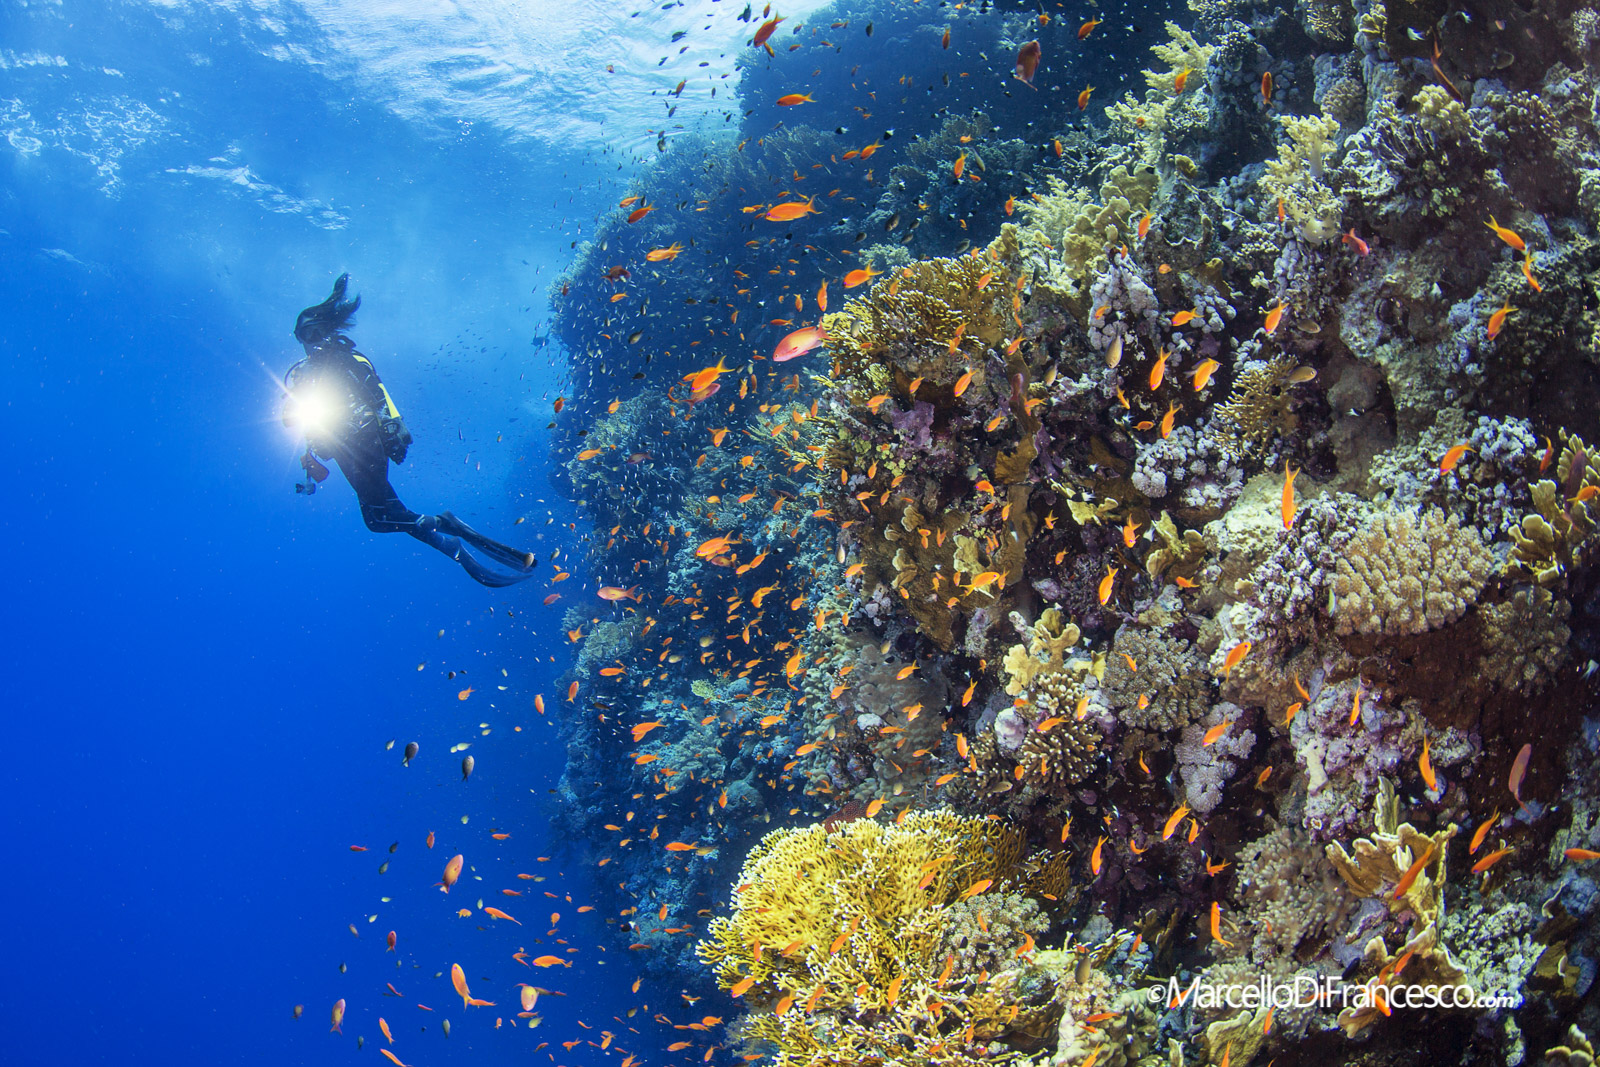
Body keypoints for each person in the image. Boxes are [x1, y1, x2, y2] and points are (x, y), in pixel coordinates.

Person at [283, 274, 536, 587]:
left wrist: (392, 428)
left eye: (317, 331)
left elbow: (376, 391)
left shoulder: (346, 360)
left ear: (330, 330)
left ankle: (449, 528)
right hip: (344, 449)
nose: (313, 341)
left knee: (380, 517)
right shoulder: (305, 377)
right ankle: (452, 543)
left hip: (364, 441)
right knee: (385, 516)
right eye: (305, 335)